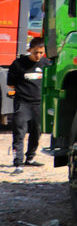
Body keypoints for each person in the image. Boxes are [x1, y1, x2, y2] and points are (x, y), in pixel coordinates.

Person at [8, 37, 48, 173]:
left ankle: (30, 158)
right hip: (22, 103)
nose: (38, 55)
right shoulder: (18, 64)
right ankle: (18, 163)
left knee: (37, 132)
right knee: (19, 132)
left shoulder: (46, 64)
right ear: (29, 50)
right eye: (36, 52)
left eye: (41, 52)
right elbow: (10, 84)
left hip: (39, 104)